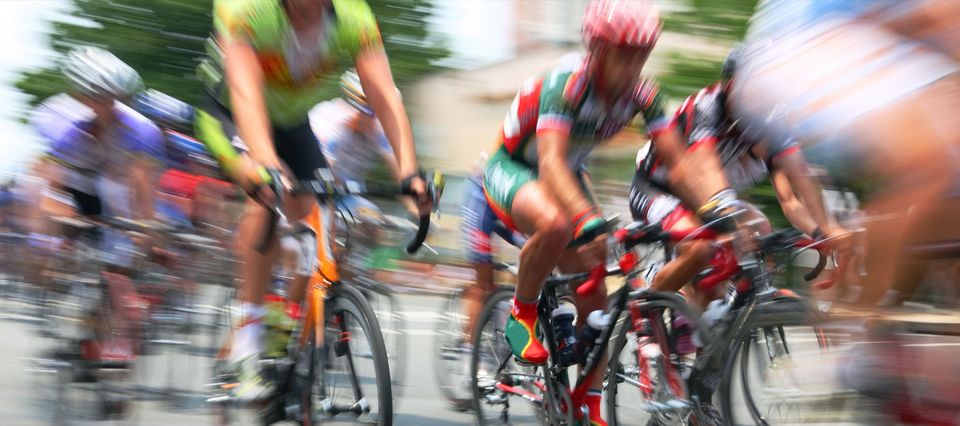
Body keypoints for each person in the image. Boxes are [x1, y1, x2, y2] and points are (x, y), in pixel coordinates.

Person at [481, 2, 736, 424]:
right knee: (558, 224)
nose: (635, 66)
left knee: (597, 280)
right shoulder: (568, 83)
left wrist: (713, 208)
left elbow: (679, 161)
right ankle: (522, 312)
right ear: (597, 49)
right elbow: (550, 164)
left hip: (566, 171)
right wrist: (585, 217)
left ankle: (587, 400)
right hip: (516, 166)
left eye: (643, 54)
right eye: (625, 54)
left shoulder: (644, 93)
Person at [193, 0, 432, 401]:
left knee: (321, 215)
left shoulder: (353, 17)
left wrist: (410, 171)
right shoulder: (248, 11)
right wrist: (266, 165)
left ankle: (289, 323)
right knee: (266, 192)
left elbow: (386, 99)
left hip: (291, 121)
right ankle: (247, 342)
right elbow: (246, 95)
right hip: (232, 111)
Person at [631, 45, 843, 309]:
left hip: (705, 195)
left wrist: (823, 230)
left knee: (758, 231)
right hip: (658, 186)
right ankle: (647, 303)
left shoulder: (768, 123)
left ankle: (717, 314)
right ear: (730, 86)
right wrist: (731, 222)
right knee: (707, 247)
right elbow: (706, 169)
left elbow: (795, 188)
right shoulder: (708, 105)